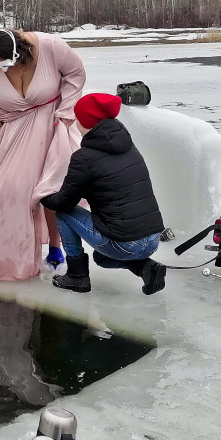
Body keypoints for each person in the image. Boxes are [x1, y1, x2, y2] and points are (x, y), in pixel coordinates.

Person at [0, 29, 86, 281]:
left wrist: (65, 113)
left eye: (6, 63)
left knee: (53, 190)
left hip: (52, 128)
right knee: (6, 194)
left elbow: (75, 74)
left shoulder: (51, 47)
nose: (0, 67)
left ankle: (56, 246)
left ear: (19, 53)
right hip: (9, 133)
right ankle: (8, 258)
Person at [40, 93, 166, 295]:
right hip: (152, 240)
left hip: (124, 243)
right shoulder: (130, 148)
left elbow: (64, 203)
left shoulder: (84, 157)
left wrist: (42, 195)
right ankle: (145, 267)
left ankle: (77, 277)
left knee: (64, 214)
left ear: (86, 122)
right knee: (101, 258)